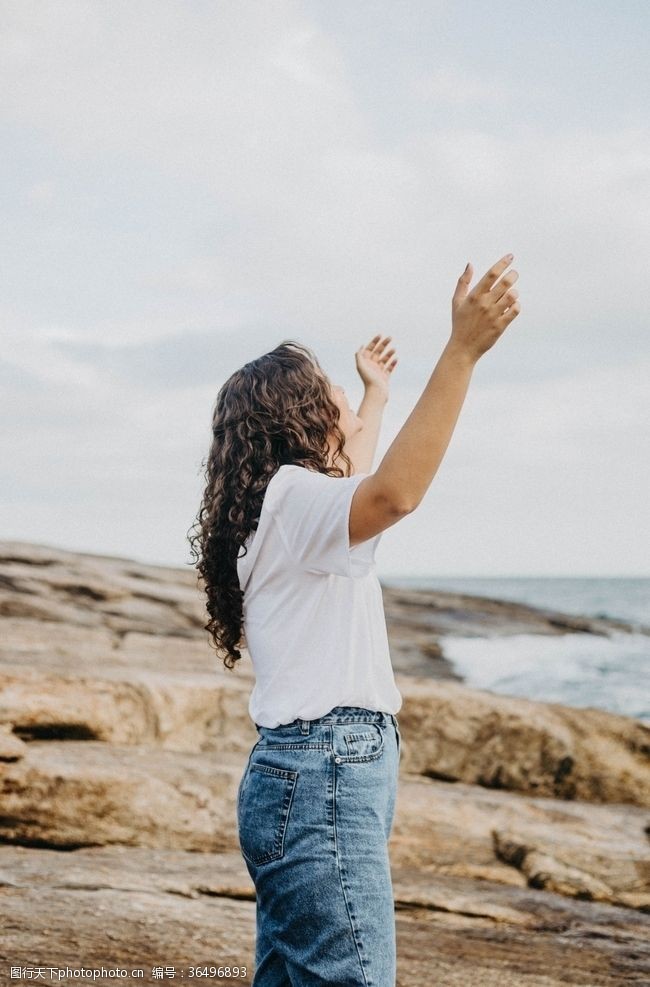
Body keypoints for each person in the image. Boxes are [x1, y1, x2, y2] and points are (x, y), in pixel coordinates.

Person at [188, 253, 521, 986]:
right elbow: (391, 492)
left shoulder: (274, 508)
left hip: (298, 773)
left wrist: (374, 393)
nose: (345, 400)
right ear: (302, 416)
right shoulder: (295, 498)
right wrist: (461, 351)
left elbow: (358, 473)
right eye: (334, 392)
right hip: (325, 772)